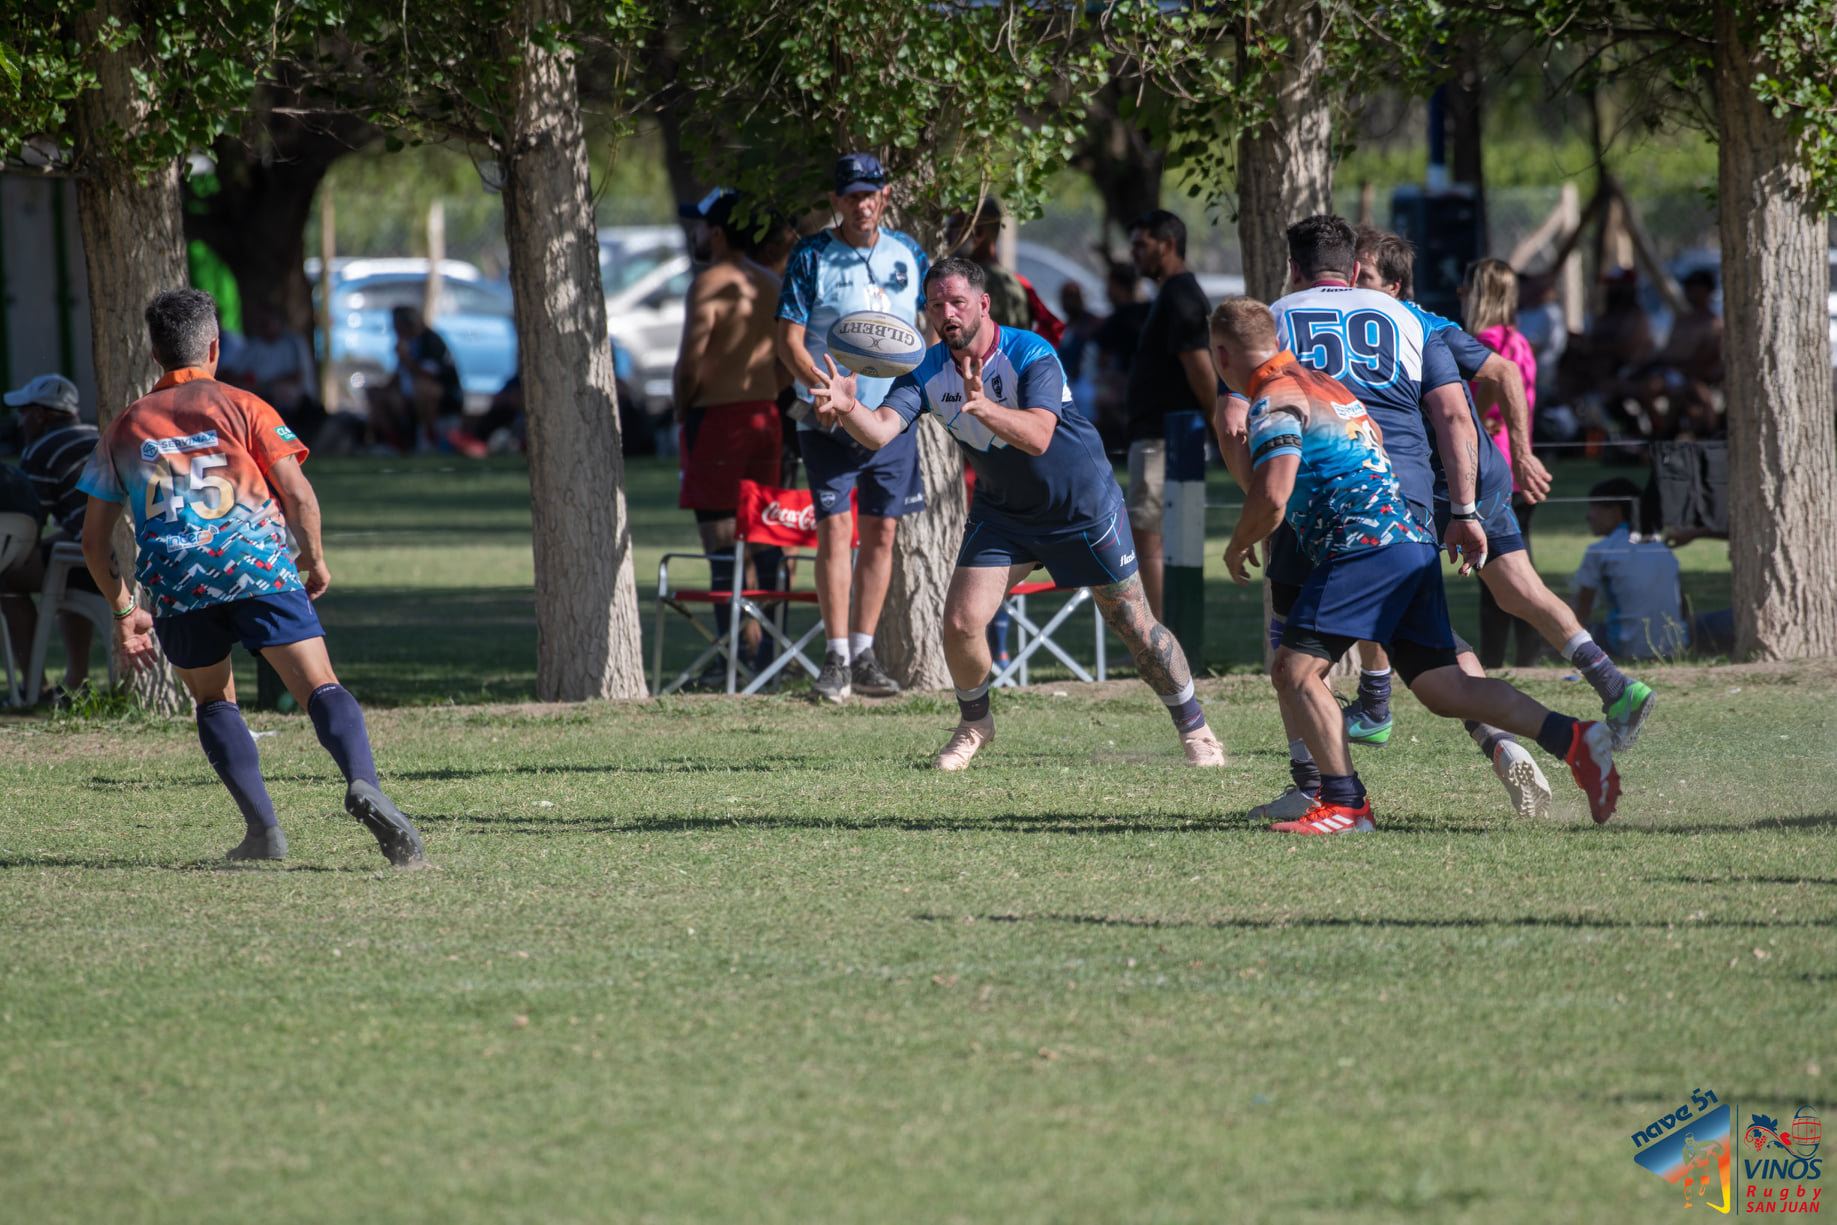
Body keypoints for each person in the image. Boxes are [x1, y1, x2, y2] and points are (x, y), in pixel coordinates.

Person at [1218, 216, 1616, 823]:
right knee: (1441, 685)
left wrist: (1253, 525)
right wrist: (1462, 508)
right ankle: (1572, 738)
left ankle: (1336, 798)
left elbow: (1245, 446)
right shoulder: (1408, 317)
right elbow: (1456, 416)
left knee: (1294, 666)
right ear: (1355, 268)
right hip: (1411, 509)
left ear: (1292, 268)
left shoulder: (1272, 331)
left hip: (1344, 524)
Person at [809, 257, 1226, 771]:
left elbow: (1038, 435)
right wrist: (849, 407)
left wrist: (986, 409)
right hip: (1004, 512)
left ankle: (1195, 727)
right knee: (961, 621)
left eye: (957, 302)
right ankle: (974, 724)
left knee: (1135, 627)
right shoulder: (925, 369)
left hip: (1082, 508)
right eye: (936, 305)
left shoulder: (1030, 352)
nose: (947, 314)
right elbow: (880, 431)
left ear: (983, 304)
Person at [75, 288, 425, 867]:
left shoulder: (125, 427)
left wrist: (122, 608)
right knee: (319, 685)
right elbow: (298, 494)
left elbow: (93, 540)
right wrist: (312, 558)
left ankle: (263, 833)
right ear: (213, 346)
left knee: (214, 699)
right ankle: (365, 783)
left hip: (176, 580)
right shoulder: (244, 405)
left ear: (155, 352)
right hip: (254, 563)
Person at [1344, 227, 1656, 778]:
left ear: (1393, 286)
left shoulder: (1419, 324)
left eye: (1364, 276)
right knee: (1521, 594)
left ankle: (1381, 707)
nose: (1353, 284)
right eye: (1351, 274)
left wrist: (1525, 452)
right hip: (1465, 475)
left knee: (1385, 592)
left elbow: (1505, 371)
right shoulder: (1381, 324)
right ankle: (1616, 687)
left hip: (1443, 483)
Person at [775, 152, 929, 703]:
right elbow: (789, 339)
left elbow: (925, 331)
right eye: (852, 196)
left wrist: (929, 391)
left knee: (883, 531)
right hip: (827, 418)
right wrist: (820, 388)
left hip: (892, 418)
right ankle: (836, 655)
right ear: (836, 202)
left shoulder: (909, 253)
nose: (862, 204)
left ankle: (863, 653)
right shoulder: (813, 253)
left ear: (884, 196)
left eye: (871, 194)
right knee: (837, 530)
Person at [673, 189, 793, 678]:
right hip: (767, 418)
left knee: (721, 542)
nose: (695, 235)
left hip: (718, 421)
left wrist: (683, 408)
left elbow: (688, 363)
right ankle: (772, 655)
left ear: (717, 233)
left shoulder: (709, 284)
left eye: (700, 227)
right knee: (767, 536)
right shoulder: (771, 283)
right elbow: (789, 358)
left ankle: (731, 659)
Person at [1122, 210, 1215, 621]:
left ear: (1168, 244)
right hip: (1162, 436)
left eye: (1142, 244)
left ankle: (1161, 640)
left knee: (1149, 535)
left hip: (1167, 438)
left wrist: (1221, 426)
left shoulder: (1180, 295)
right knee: (1157, 536)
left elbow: (1200, 368)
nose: (1134, 253)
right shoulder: (1171, 293)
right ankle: (1167, 635)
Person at [1460, 258, 1545, 667]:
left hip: (1492, 467)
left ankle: (1495, 661)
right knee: (1519, 567)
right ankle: (1526, 658)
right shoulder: (1520, 341)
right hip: (1516, 465)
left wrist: (1479, 412)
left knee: (1497, 576)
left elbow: (1482, 399)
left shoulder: (1485, 341)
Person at [9, 373, 101, 692]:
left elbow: (29, 529)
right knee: (61, 563)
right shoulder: (98, 433)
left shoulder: (40, 450)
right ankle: (76, 681)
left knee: (7, 576)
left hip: (86, 556)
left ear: (40, 414)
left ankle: (34, 686)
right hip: (117, 556)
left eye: (23, 413)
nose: (20, 423)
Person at [1573, 478, 1687, 660]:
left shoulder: (1600, 550)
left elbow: (1582, 608)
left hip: (1626, 647)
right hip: (1676, 645)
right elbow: (1681, 603)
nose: (1589, 515)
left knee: (1573, 629)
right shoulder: (1659, 545)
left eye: (1595, 507)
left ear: (1616, 510)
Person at [225, 303, 325, 447]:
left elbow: (297, 376)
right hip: (257, 391)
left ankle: (285, 438)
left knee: (282, 392)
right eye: (261, 324)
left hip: (288, 395)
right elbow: (236, 372)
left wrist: (268, 384)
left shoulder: (292, 343)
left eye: (267, 323)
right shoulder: (254, 345)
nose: (264, 328)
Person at [373, 305, 463, 454]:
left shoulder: (430, 341)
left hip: (444, 397)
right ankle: (395, 442)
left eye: (397, 325)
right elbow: (397, 377)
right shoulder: (405, 343)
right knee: (378, 394)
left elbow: (428, 375)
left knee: (423, 389)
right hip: (408, 395)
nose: (394, 329)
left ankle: (430, 438)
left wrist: (405, 358)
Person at [1090, 262, 1148, 450]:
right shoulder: (1148, 310)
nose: (1106, 291)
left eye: (1109, 285)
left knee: (1102, 398)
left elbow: (1103, 359)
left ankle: (1122, 442)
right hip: (1139, 381)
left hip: (1126, 383)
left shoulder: (1121, 318)